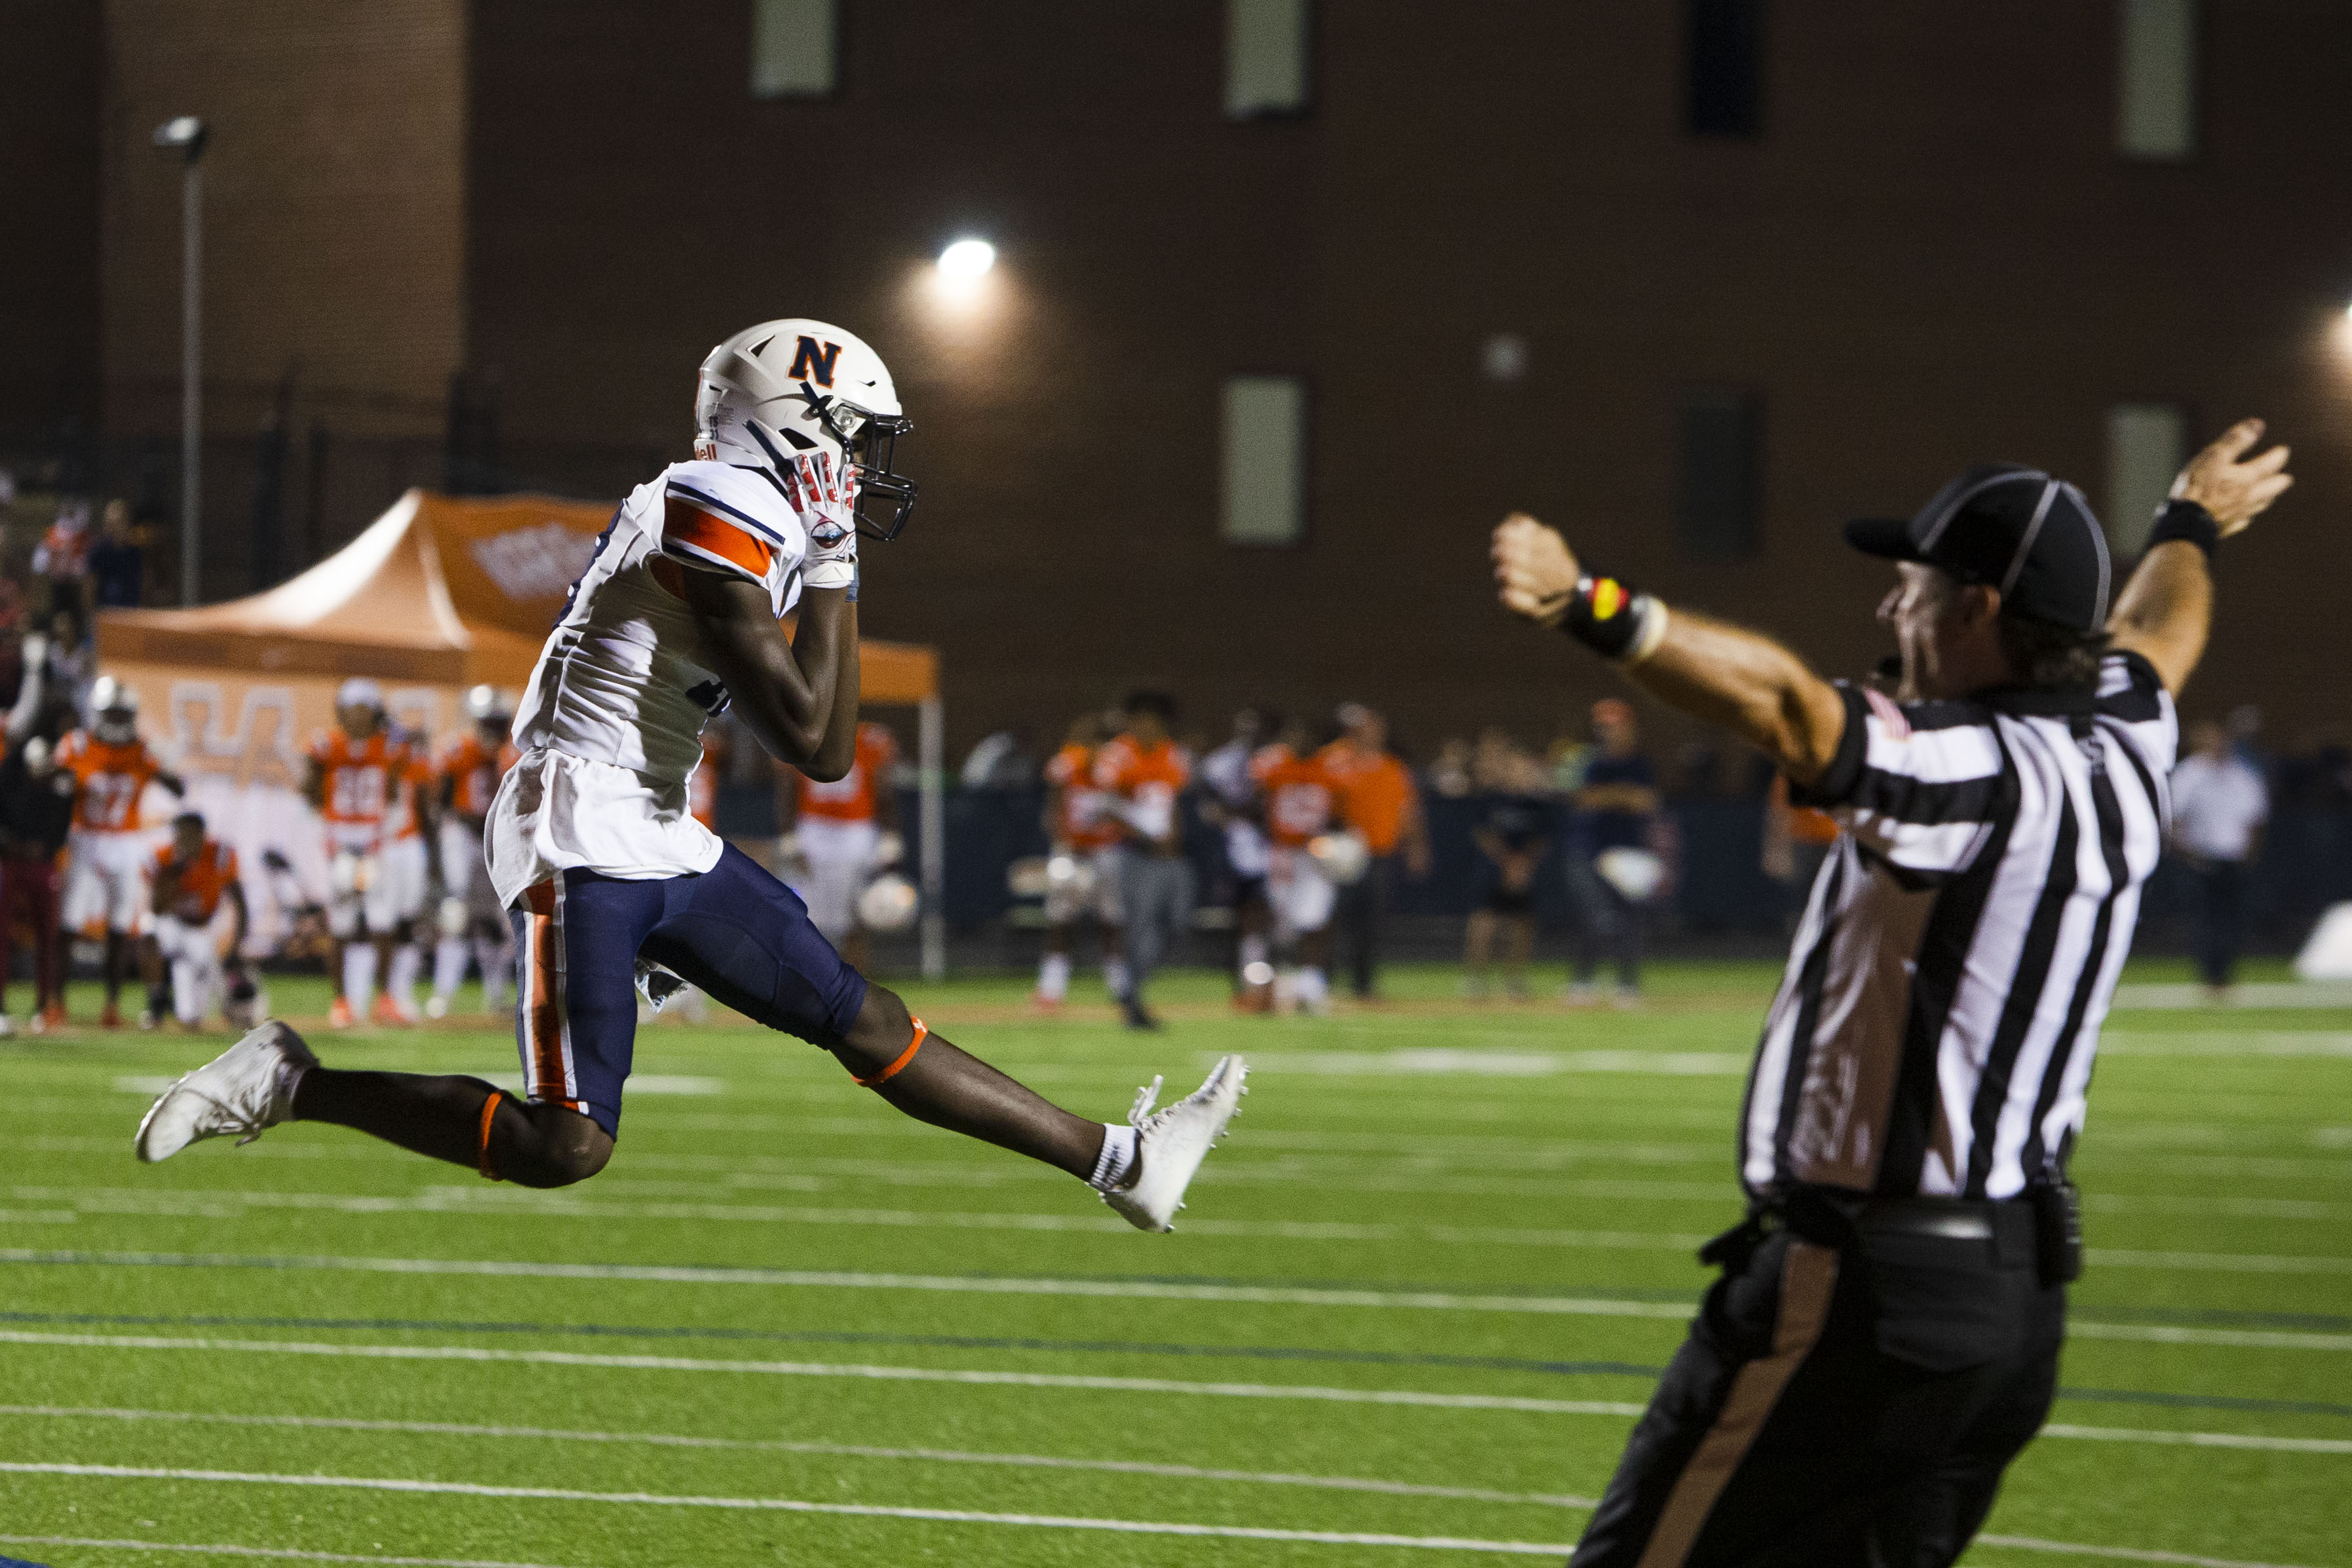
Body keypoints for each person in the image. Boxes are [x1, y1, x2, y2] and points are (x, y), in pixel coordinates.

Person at [139, 316, 1243, 1239]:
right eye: (852, 436)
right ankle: (288, 1078)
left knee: (865, 1019)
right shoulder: (719, 501)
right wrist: (833, 560)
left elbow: (809, 720)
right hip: (580, 825)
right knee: (563, 1145)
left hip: (655, 822)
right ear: (796, 427)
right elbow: (816, 743)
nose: (863, 465)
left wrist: (822, 554)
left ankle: (1120, 1163)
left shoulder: (746, 509)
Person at [1493, 418, 2291, 1567]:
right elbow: (2161, 624)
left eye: (1908, 586)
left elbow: (1782, 705)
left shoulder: (1965, 767)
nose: (1886, 612)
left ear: (1973, 608)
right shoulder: (2124, 729)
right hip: (2010, 1298)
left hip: (1871, 1294)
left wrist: (1591, 602)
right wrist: (2186, 522)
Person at [56, 676, 184, 1026]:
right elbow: (51, 781)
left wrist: (169, 768)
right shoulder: (78, 744)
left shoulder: (142, 750)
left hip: (126, 840)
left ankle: (112, 1005)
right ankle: (56, 1003)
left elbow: (178, 788)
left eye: (120, 713)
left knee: (120, 926)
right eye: (109, 713)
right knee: (68, 922)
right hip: (86, 836)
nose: (114, 720)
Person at [307, 678, 419, 1027]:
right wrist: (327, 834)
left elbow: (394, 797)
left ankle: (385, 998)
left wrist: (381, 834)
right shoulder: (327, 746)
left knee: (382, 919)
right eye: (352, 709)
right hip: (340, 839)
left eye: (364, 710)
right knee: (340, 922)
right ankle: (341, 1002)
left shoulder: (389, 748)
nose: (357, 717)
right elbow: (310, 793)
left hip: (373, 839)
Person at [1318, 703, 1431, 1001]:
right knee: (1334, 918)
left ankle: (1363, 984)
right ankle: (1321, 980)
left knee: (1371, 921)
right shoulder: (1334, 760)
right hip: (1343, 853)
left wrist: (1417, 846)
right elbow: (1321, 805)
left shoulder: (1393, 766)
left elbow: (1408, 810)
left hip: (1381, 853)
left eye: (1371, 727)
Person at [780, 718, 900, 973]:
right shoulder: (805, 733)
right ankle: (813, 981)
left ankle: (857, 987)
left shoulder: (870, 738)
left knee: (858, 916)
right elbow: (788, 785)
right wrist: (790, 837)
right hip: (813, 827)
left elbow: (883, 788)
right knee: (807, 917)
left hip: (857, 830)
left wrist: (889, 835)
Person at [430, 685, 520, 1018]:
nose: (495, 730)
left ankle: (495, 996)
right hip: (464, 837)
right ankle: (443, 994)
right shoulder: (458, 750)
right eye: (490, 722)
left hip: (498, 839)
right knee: (457, 916)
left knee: (497, 921)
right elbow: (442, 802)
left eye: (500, 722)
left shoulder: (513, 753)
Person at [1565, 697, 1661, 1006]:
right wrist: (1623, 795)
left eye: (1615, 726)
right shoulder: (1587, 762)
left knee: (1631, 919)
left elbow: (1647, 802)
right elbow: (1582, 800)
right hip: (1590, 850)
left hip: (1629, 854)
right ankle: (1583, 982)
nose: (1608, 732)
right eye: (1603, 727)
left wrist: (1608, 796)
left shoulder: (1640, 764)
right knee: (1596, 918)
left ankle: (1627, 986)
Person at [2168, 717, 2269, 999]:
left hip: (2234, 858)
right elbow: (2174, 818)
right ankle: (2211, 976)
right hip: (2200, 858)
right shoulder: (2189, 774)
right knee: (2206, 919)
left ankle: (2226, 974)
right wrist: (2188, 853)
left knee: (2232, 918)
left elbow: (2256, 817)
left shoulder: (2240, 774)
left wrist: (2250, 854)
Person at [1252, 717, 1343, 1015]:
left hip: (1315, 855)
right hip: (1283, 854)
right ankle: (1268, 989)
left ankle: (1311, 987)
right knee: (1280, 921)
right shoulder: (1274, 766)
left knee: (1315, 921)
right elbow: (1256, 801)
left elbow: (1340, 813)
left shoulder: (1330, 769)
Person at [1034, 712, 1122, 1012]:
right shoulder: (1067, 764)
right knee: (1060, 921)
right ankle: (1051, 988)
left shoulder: (1115, 767)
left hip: (1105, 853)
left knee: (1113, 922)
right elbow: (1053, 808)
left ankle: (1121, 988)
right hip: (1072, 853)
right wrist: (1062, 844)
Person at [1195, 706, 1279, 1012]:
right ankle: (1248, 987)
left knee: (1278, 922)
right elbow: (1210, 807)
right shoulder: (1221, 762)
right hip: (1236, 850)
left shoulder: (1277, 761)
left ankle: (1279, 987)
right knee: (1245, 921)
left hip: (1276, 849)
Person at [0, 734, 76, 1031]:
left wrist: (46, 847)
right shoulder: (10, 785)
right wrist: (11, 844)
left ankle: (45, 1004)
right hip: (11, 865)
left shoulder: (58, 792)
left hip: (43, 865)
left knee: (48, 935)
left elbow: (62, 828)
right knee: (2, 936)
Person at [148, 811, 248, 1030]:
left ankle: (202, 1013)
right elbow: (156, 908)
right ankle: (157, 998)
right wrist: (176, 872)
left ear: (203, 835)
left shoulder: (220, 854)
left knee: (202, 962)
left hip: (201, 927)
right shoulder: (166, 856)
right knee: (154, 934)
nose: (184, 840)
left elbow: (239, 899)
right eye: (180, 834)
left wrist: (238, 941)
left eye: (190, 834)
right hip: (171, 922)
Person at [1465, 750, 1552, 1001]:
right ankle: (1476, 980)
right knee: (1484, 922)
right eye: (1516, 769)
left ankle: (1515, 980)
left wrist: (1523, 863)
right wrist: (1506, 861)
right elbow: (1482, 834)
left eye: (1525, 770)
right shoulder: (1491, 800)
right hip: (1493, 870)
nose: (1521, 774)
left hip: (1524, 871)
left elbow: (1543, 839)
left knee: (1522, 924)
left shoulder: (1536, 804)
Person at [88, 499, 145, 610]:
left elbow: (143, 587)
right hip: (106, 613)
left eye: (120, 523)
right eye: (111, 524)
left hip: (131, 614)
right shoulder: (99, 553)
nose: (114, 529)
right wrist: (93, 616)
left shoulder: (136, 553)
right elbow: (90, 588)